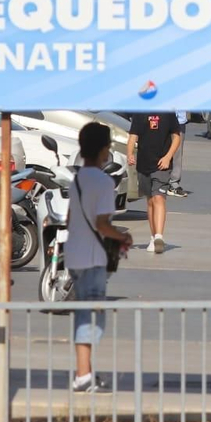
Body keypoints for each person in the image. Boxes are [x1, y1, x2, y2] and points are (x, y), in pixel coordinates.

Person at [67, 121, 133, 393]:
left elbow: (73, 218)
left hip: (74, 255)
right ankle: (83, 375)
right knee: (91, 316)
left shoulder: (78, 179)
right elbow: (103, 224)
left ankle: (87, 372)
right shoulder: (104, 182)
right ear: (103, 149)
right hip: (93, 258)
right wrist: (123, 237)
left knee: (84, 312)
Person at [127, 109, 183, 254]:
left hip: (162, 165)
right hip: (144, 165)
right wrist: (130, 153)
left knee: (159, 198)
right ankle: (153, 237)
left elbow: (176, 137)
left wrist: (168, 157)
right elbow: (133, 136)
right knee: (150, 201)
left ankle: (159, 236)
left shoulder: (168, 113)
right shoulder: (139, 113)